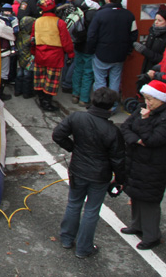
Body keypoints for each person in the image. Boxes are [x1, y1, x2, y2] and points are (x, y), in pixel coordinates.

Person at [52, 87, 128, 259]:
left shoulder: (77, 117)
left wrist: (74, 149)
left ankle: (66, 238)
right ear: (111, 107)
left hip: (78, 170)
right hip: (99, 176)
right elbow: (118, 159)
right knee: (91, 211)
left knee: (73, 203)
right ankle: (84, 248)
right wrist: (120, 180)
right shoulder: (113, 131)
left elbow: (58, 135)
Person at [120, 79, 166, 251]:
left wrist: (143, 124)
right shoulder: (142, 110)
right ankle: (137, 225)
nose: (148, 102)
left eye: (151, 99)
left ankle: (152, 235)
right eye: (146, 98)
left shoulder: (161, 117)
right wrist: (137, 140)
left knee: (149, 201)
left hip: (153, 167)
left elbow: (153, 140)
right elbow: (125, 128)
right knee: (136, 196)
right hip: (136, 162)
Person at [85, 0, 138, 98]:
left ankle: (100, 103)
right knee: (115, 80)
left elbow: (91, 35)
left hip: (101, 52)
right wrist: (128, 50)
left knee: (100, 80)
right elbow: (134, 35)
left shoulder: (100, 14)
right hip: (120, 54)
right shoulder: (129, 15)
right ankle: (112, 105)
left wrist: (90, 50)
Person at [32, 0, 75, 112]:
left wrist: (33, 52)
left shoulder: (37, 22)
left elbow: (33, 39)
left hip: (40, 54)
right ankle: (47, 102)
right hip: (55, 56)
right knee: (51, 80)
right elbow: (66, 40)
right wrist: (70, 53)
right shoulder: (59, 22)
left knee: (40, 78)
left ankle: (41, 99)